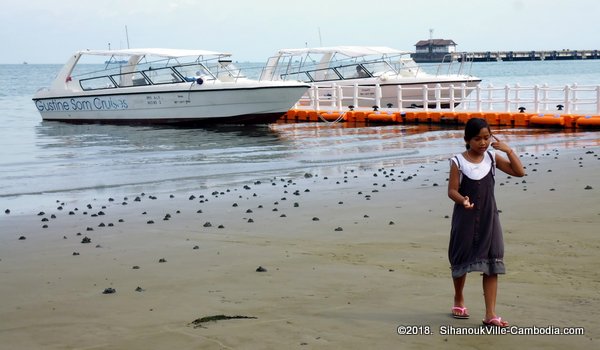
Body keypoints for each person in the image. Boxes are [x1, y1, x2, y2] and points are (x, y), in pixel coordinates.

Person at [447, 118, 525, 327]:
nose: (483, 143)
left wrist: (508, 151)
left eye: (486, 137)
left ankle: (490, 314)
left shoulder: (492, 157)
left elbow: (519, 172)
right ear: (467, 140)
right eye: (477, 139)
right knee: (461, 259)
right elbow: (452, 190)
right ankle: (458, 298)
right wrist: (462, 200)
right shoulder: (458, 161)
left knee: (492, 263)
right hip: (465, 217)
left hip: (490, 218)